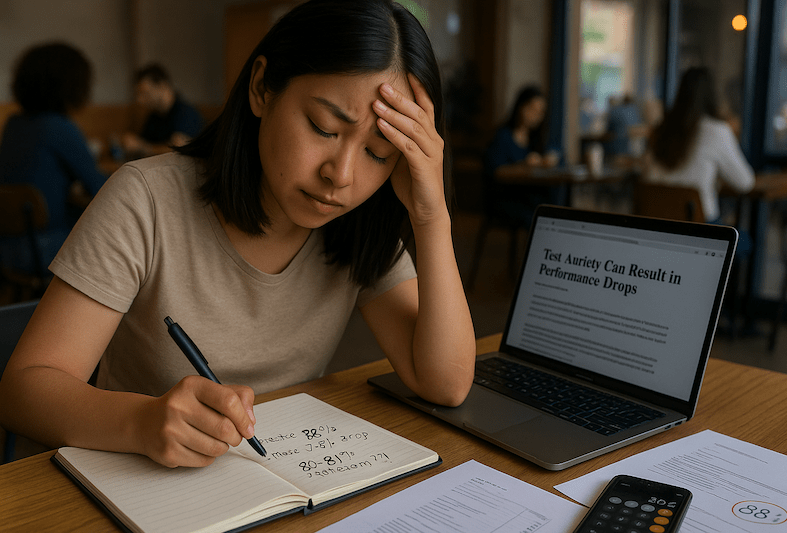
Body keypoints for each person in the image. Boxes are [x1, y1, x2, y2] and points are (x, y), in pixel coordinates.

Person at [0, 0, 475, 469]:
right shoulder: (146, 199)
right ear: (262, 88)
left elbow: (446, 383)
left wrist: (430, 216)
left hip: (284, 482)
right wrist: (141, 420)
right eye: (323, 127)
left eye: (378, 152)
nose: (342, 175)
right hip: (142, 486)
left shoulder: (357, 223)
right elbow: (24, 390)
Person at [0, 42, 107, 274]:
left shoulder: (13, 124)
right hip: (41, 249)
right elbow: (100, 188)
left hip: (6, 245)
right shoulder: (58, 127)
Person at [646, 67, 754, 224]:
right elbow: (745, 183)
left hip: (658, 225)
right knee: (746, 242)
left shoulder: (661, 128)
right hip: (699, 228)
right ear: (711, 95)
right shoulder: (717, 131)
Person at [482, 85, 565, 225]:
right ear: (520, 107)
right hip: (508, 197)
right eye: (532, 110)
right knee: (542, 211)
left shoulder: (536, 139)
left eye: (541, 112)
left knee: (554, 205)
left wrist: (551, 159)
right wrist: (524, 164)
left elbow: (557, 154)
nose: (537, 116)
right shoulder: (503, 137)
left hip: (530, 195)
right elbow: (494, 171)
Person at [120, 63, 204, 158]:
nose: (140, 100)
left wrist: (143, 147)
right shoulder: (154, 116)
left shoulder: (186, 113)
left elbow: (178, 150)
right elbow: (143, 142)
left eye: (144, 93)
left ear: (162, 85)